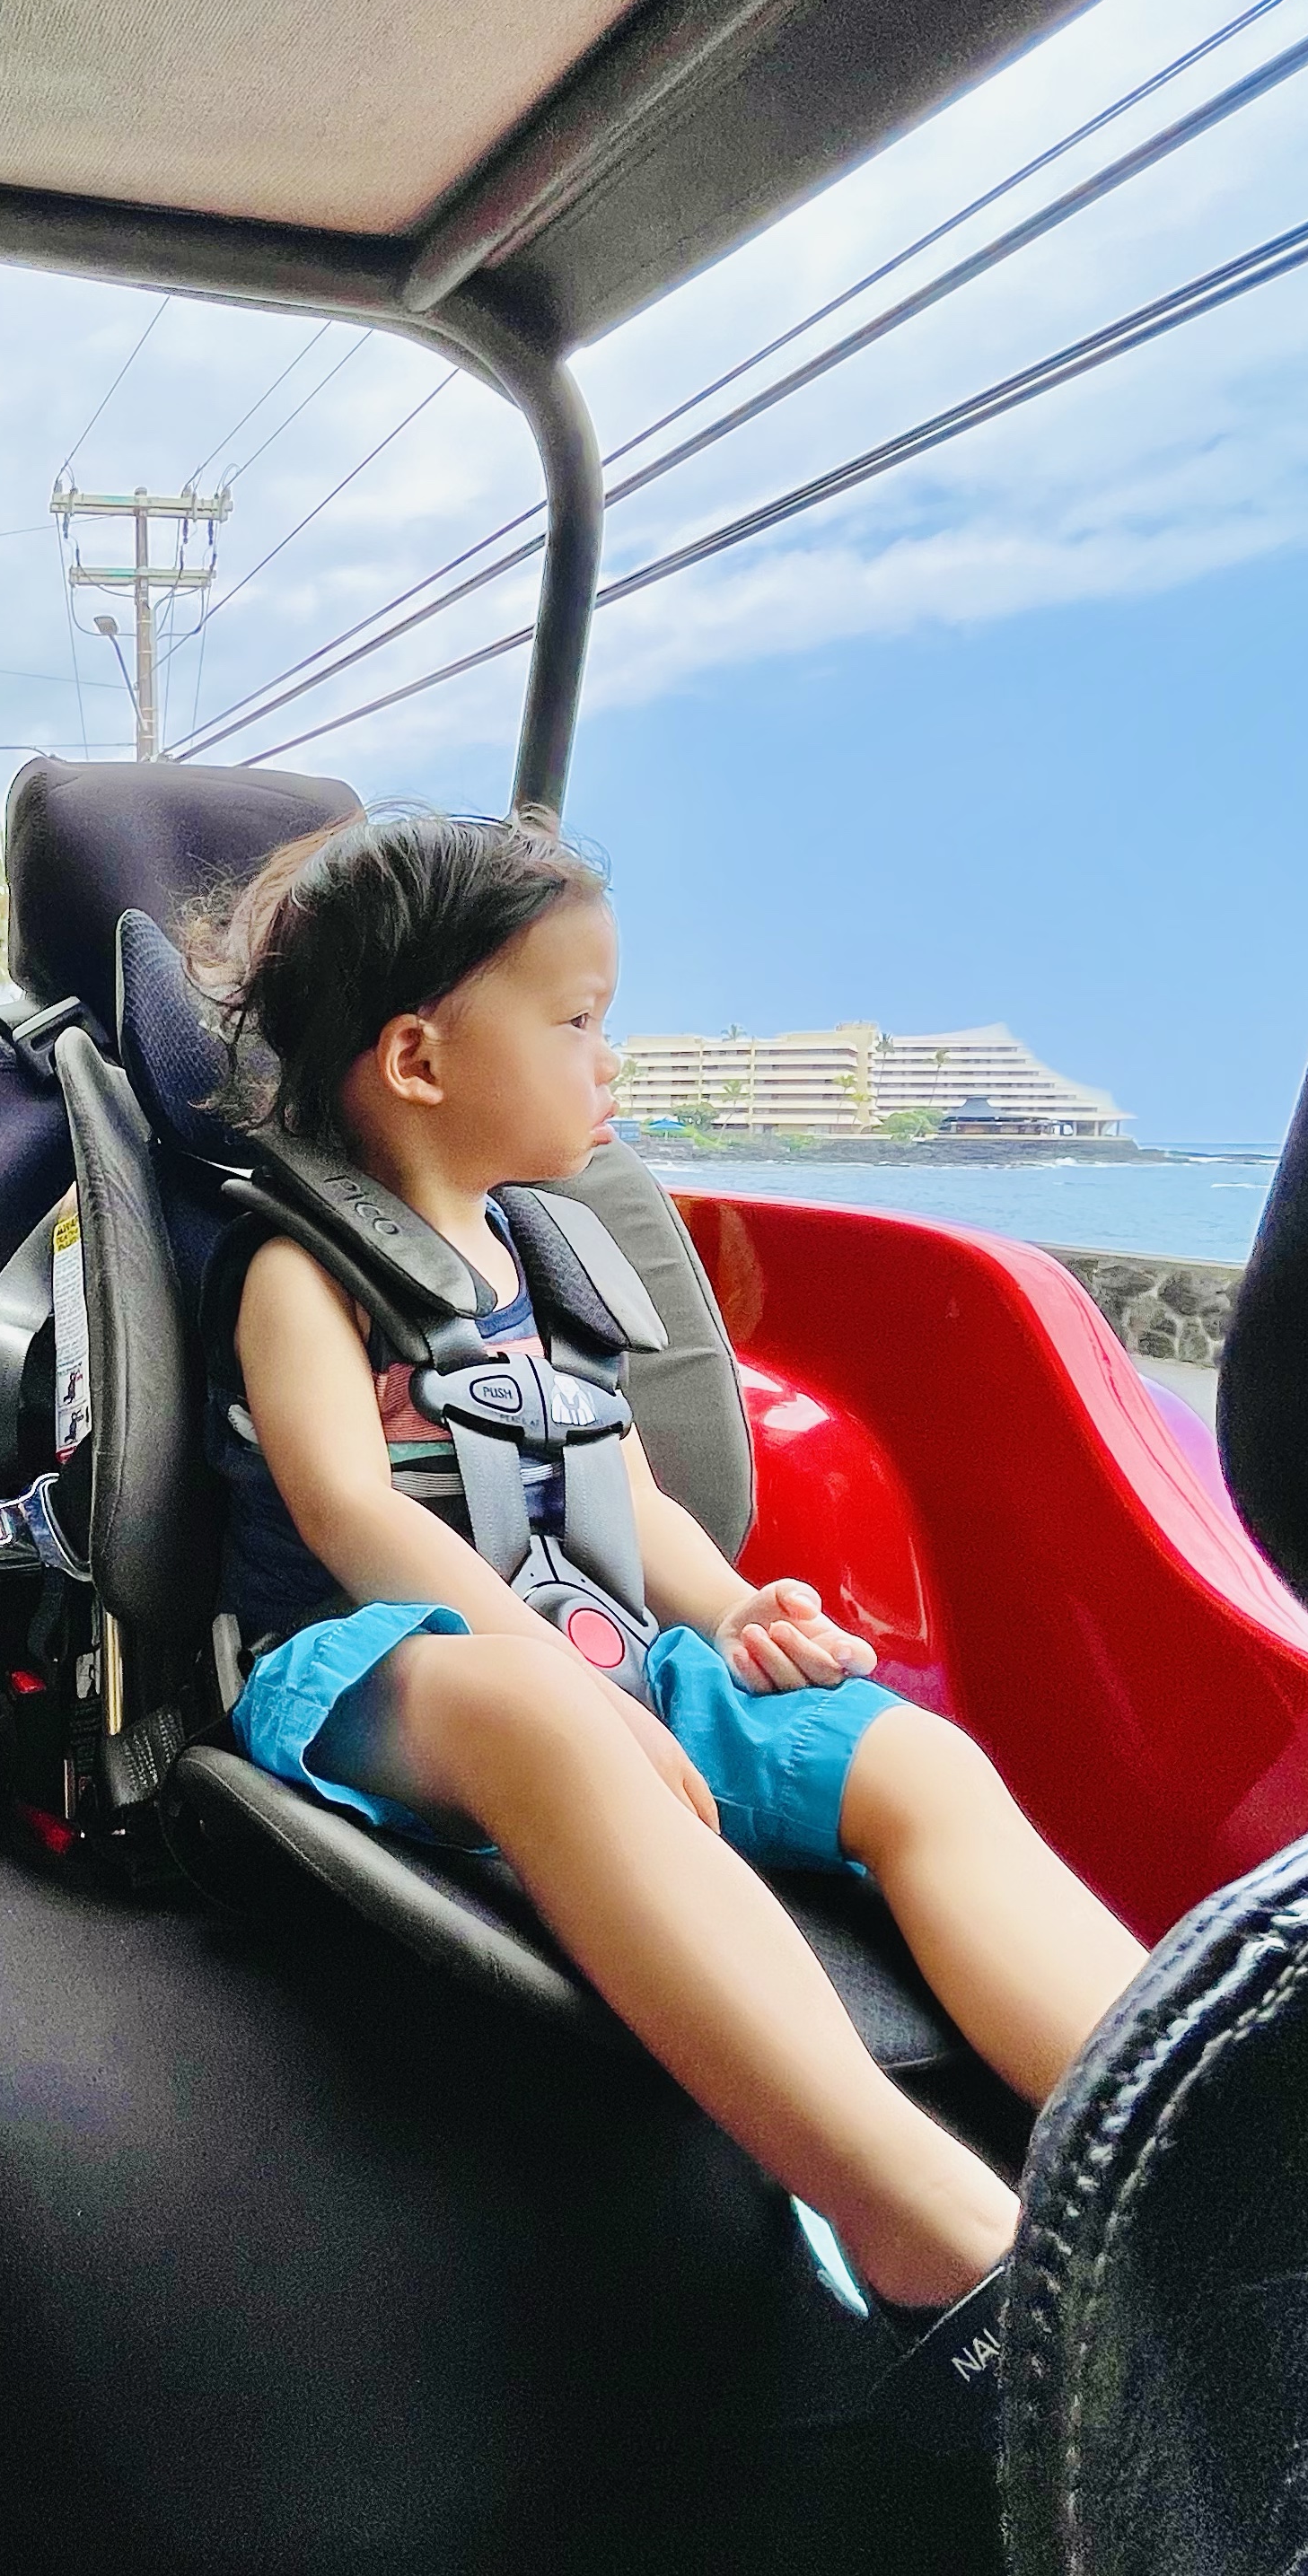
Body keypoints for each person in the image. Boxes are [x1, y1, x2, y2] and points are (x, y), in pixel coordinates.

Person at [200, 810, 1146, 2439]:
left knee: (914, 1762)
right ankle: (923, 2228)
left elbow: (624, 1494)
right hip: (375, 1665)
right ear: (418, 1059)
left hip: (599, 1651)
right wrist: (558, 1682)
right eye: (576, 1021)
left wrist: (733, 1604)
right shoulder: (303, 1267)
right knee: (545, 1716)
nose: (611, 1062)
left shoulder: (550, 1255)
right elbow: (352, 1513)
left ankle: (1170, 2131)